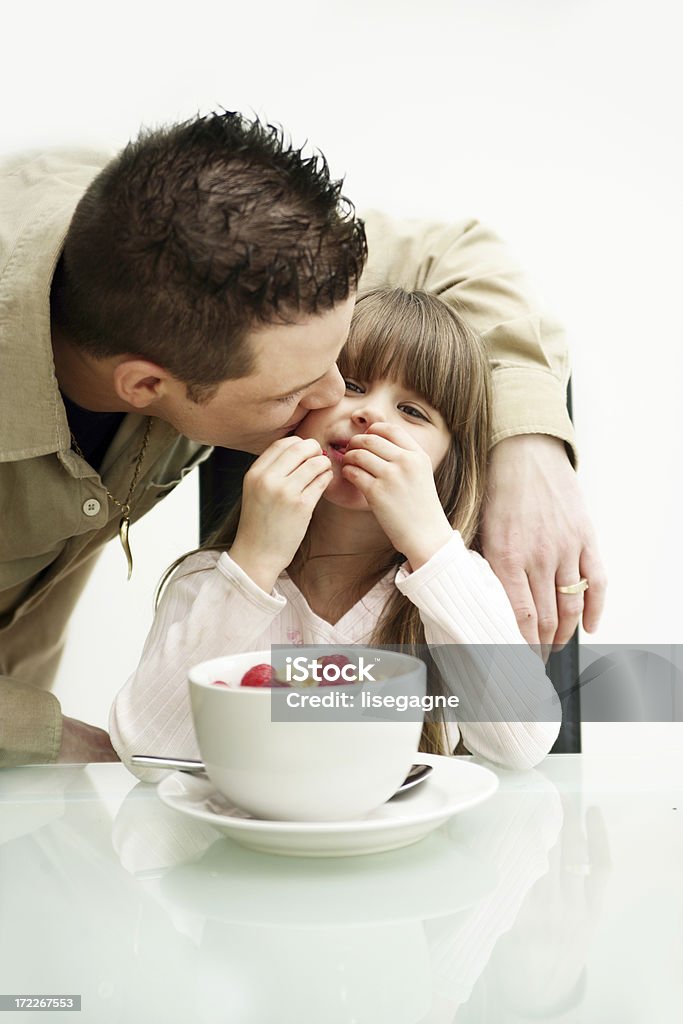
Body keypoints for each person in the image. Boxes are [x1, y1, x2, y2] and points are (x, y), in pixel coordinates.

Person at [0, 110, 603, 767]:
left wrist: (526, 446)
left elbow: (459, 255)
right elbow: (154, 744)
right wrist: (50, 741)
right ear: (146, 386)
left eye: (338, 364)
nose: (337, 404)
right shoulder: (218, 583)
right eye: (306, 390)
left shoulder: (225, 247)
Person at [111, 289, 561, 774]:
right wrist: (254, 563)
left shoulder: (458, 585)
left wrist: (431, 543)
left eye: (413, 412)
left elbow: (523, 745)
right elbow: (148, 755)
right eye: (351, 384)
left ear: (447, 465)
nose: (372, 415)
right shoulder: (212, 580)